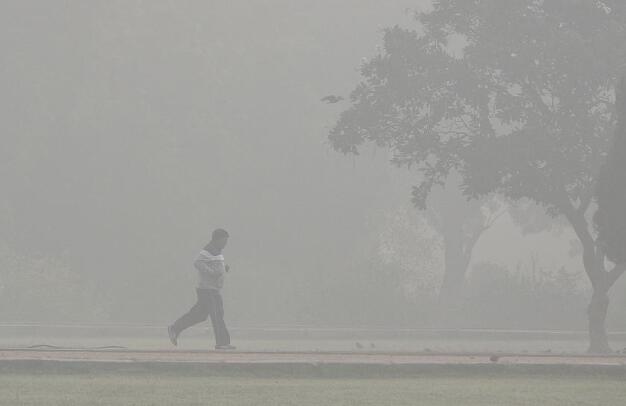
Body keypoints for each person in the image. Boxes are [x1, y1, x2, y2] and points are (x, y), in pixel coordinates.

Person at [168, 228, 235, 350]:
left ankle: (175, 328)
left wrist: (224, 268)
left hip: (213, 289)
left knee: (200, 315)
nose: (225, 244)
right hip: (207, 289)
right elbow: (197, 263)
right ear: (217, 239)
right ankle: (222, 342)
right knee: (217, 314)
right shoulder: (207, 250)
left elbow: (214, 264)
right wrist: (212, 272)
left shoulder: (217, 251)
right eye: (224, 241)